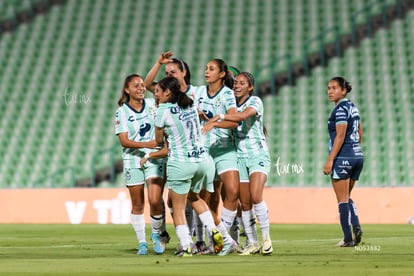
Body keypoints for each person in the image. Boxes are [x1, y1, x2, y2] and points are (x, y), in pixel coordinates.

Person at [151, 76, 224, 257]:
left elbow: (159, 141)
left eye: (158, 92)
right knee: (194, 197)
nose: (156, 95)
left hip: (181, 163)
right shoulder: (190, 104)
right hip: (202, 161)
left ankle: (186, 246)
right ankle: (214, 231)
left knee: (178, 208)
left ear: (167, 92)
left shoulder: (163, 110)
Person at [202, 72, 273, 255]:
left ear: (250, 87)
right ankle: (252, 242)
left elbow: (242, 117)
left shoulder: (255, 101)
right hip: (239, 157)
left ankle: (266, 239)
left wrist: (218, 119)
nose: (237, 86)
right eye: (235, 83)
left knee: (256, 195)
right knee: (245, 202)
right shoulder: (230, 107)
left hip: (257, 154)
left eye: (242, 83)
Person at [114, 74, 168, 255]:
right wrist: (147, 144)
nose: (141, 88)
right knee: (138, 204)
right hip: (132, 160)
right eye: (136, 86)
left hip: (154, 158)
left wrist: (155, 147)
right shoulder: (122, 112)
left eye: (142, 86)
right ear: (127, 90)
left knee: (155, 200)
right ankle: (142, 242)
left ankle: (156, 235)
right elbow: (124, 141)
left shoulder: (153, 104)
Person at [192, 58, 240, 255]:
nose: (206, 71)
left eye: (211, 69)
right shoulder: (200, 92)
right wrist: (197, 113)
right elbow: (191, 114)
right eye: (205, 68)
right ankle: (220, 241)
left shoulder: (228, 94)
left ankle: (225, 239)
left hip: (225, 149)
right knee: (207, 201)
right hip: (205, 150)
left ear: (221, 74)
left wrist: (215, 122)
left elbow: (234, 120)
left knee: (232, 193)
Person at [323, 76, 363, 247]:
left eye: (334, 88)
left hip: (343, 157)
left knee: (342, 200)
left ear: (344, 90)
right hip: (357, 156)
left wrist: (330, 160)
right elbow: (360, 131)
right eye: (329, 88)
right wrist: (354, 150)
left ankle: (348, 238)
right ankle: (356, 226)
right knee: (347, 196)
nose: (330, 91)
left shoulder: (339, 110)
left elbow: (340, 135)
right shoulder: (352, 107)